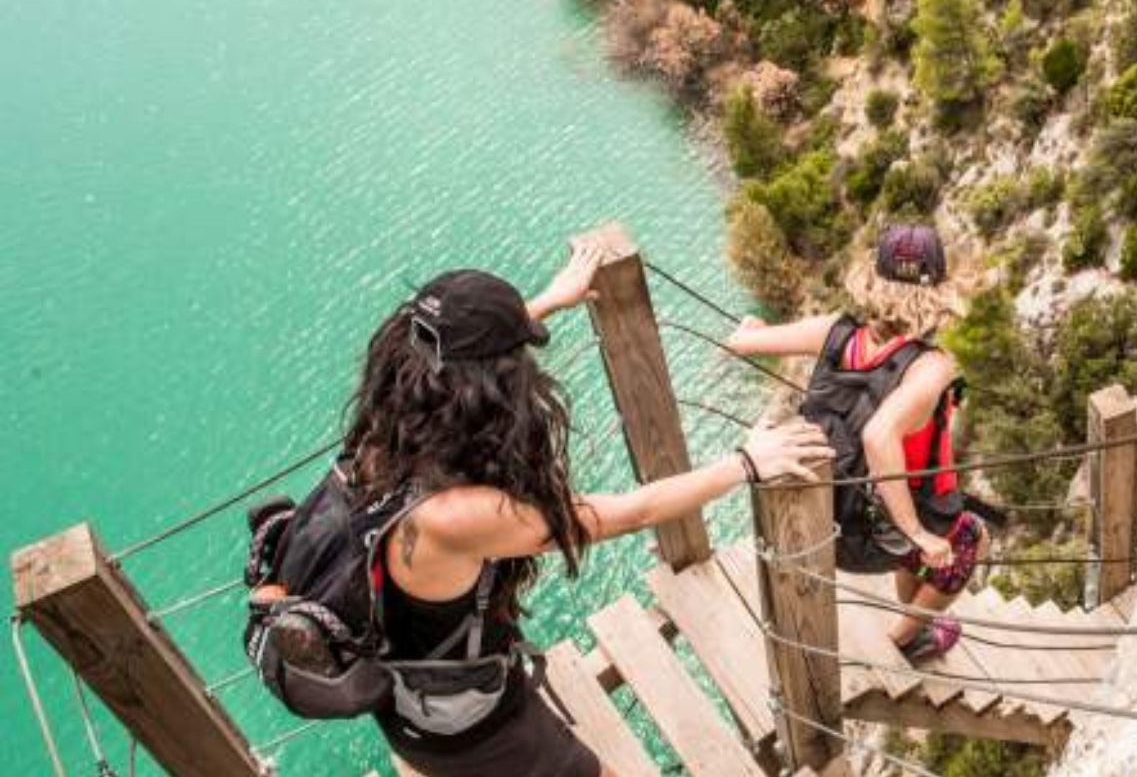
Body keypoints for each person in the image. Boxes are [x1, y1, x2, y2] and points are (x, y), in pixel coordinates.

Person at [253, 232, 828, 777]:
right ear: (493, 386)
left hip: (408, 701)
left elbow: (453, 359)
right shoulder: (458, 517)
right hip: (469, 729)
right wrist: (746, 462)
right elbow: (628, 512)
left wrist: (552, 298)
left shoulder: (385, 431)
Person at [726, 223, 987, 663]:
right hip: (878, 536)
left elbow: (740, 342)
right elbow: (879, 435)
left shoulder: (835, 331)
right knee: (966, 539)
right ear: (939, 291)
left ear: (872, 280)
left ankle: (911, 602)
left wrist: (751, 327)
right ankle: (904, 640)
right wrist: (917, 533)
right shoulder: (931, 367)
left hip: (822, 524)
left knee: (922, 528)